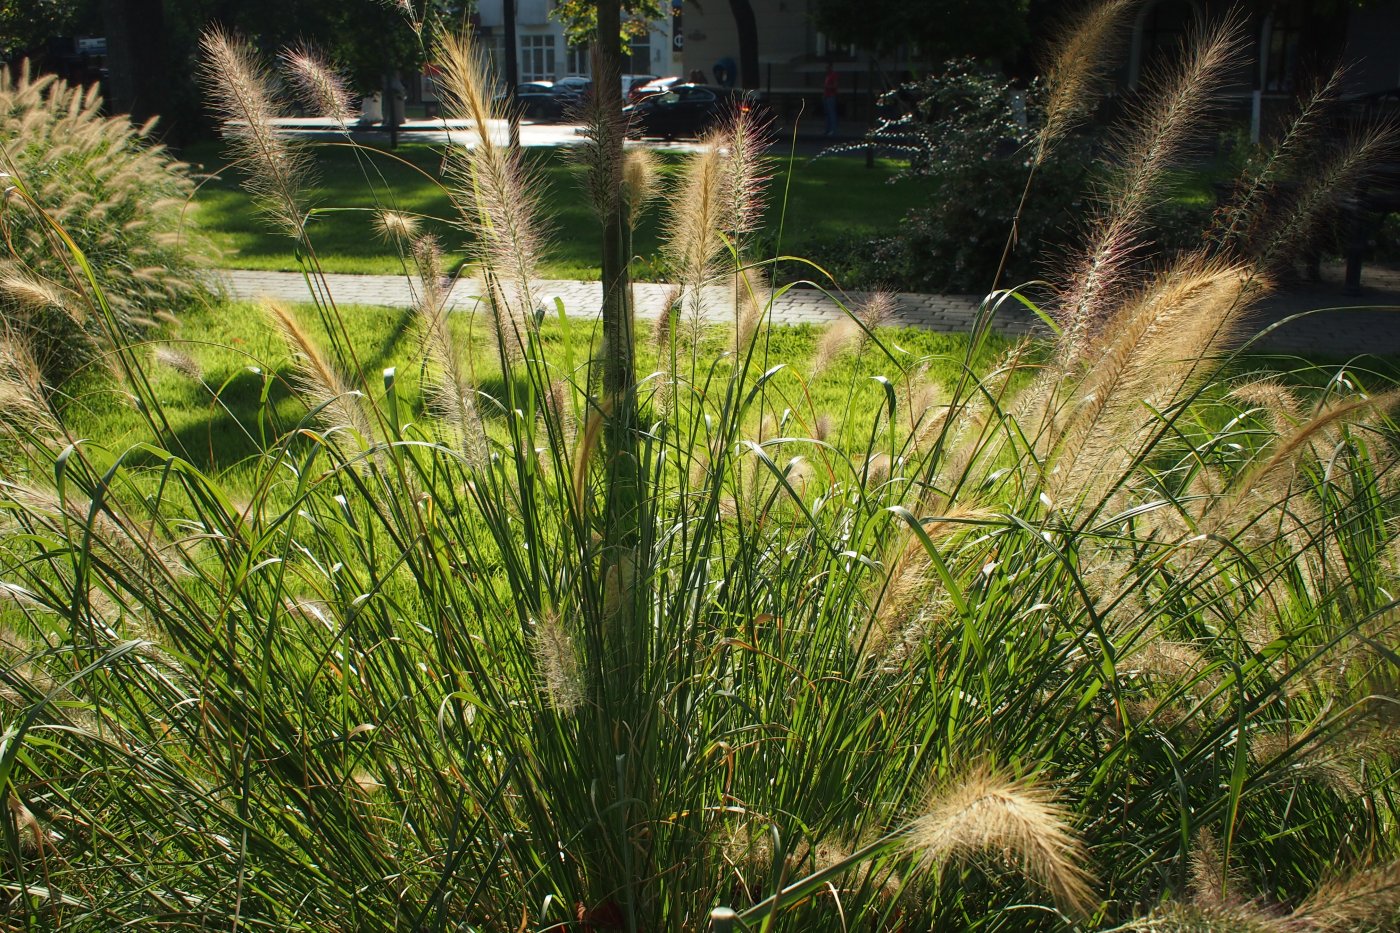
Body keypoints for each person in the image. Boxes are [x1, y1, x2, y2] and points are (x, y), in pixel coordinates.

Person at [823, 63, 839, 136]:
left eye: (827, 68)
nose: (826, 69)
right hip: (826, 96)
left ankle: (833, 130)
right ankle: (827, 129)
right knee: (827, 114)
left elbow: (835, 85)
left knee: (832, 113)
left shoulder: (833, 75)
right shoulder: (827, 76)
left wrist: (828, 87)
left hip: (831, 96)